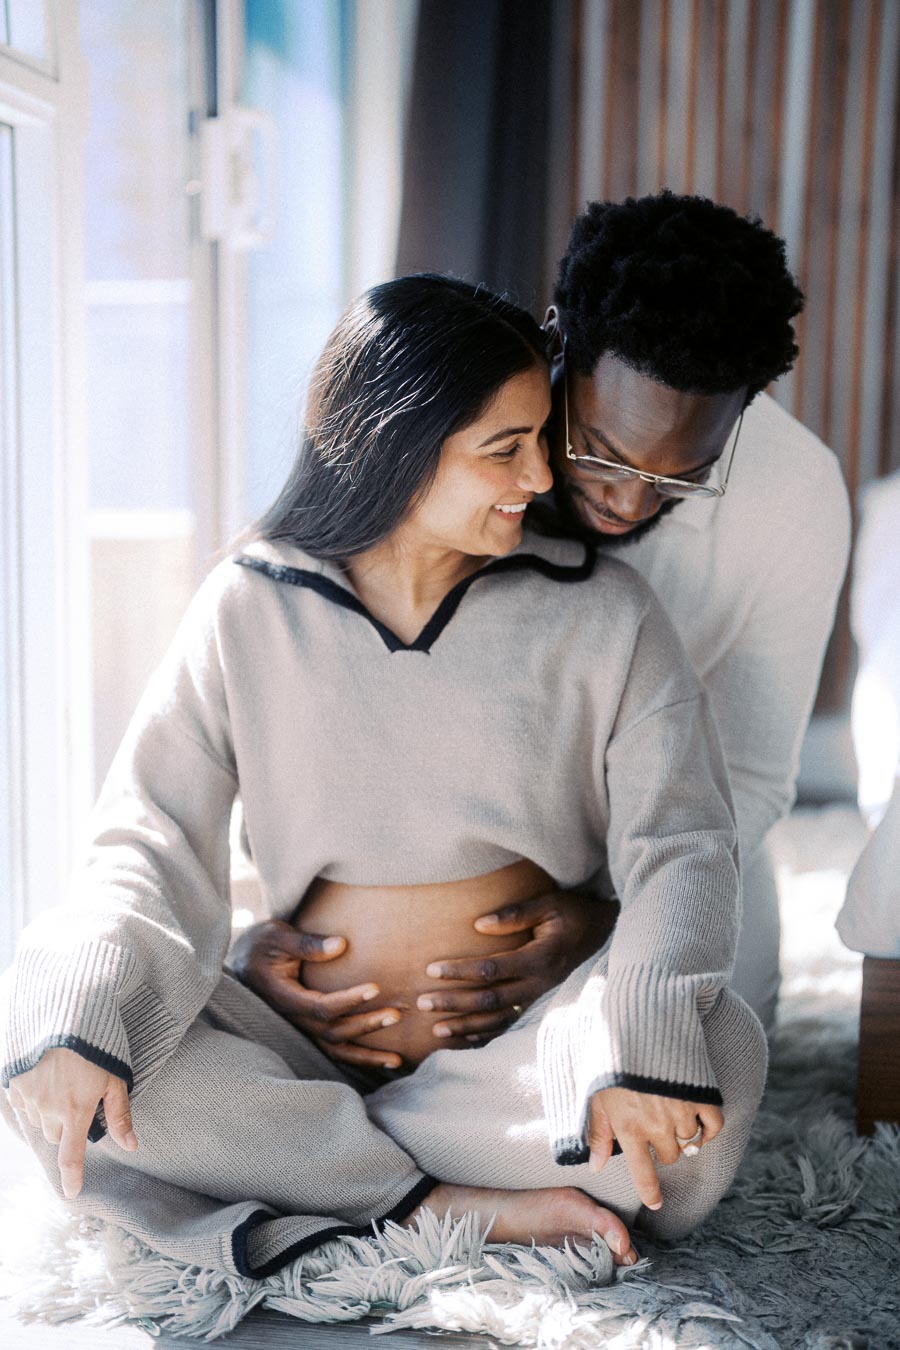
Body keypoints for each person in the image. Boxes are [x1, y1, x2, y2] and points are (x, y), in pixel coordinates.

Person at [1, 275, 765, 1279]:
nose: (541, 478)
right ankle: (444, 1201)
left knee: (718, 1051)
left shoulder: (605, 611)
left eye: (542, 440)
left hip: (514, 1063)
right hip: (294, 1046)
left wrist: (635, 1026)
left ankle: (325, 1169)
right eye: (505, 448)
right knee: (51, 1032)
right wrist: (89, 1021)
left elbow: (685, 844)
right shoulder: (249, 601)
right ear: (393, 442)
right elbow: (148, 833)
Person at [235, 192, 849, 1043]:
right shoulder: (446, 426)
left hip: (667, 854)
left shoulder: (797, 496)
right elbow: (302, 657)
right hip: (442, 840)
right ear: (558, 346)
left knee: (691, 1069)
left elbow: (745, 776)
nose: (630, 501)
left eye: (682, 476)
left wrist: (603, 916)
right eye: (601, 451)